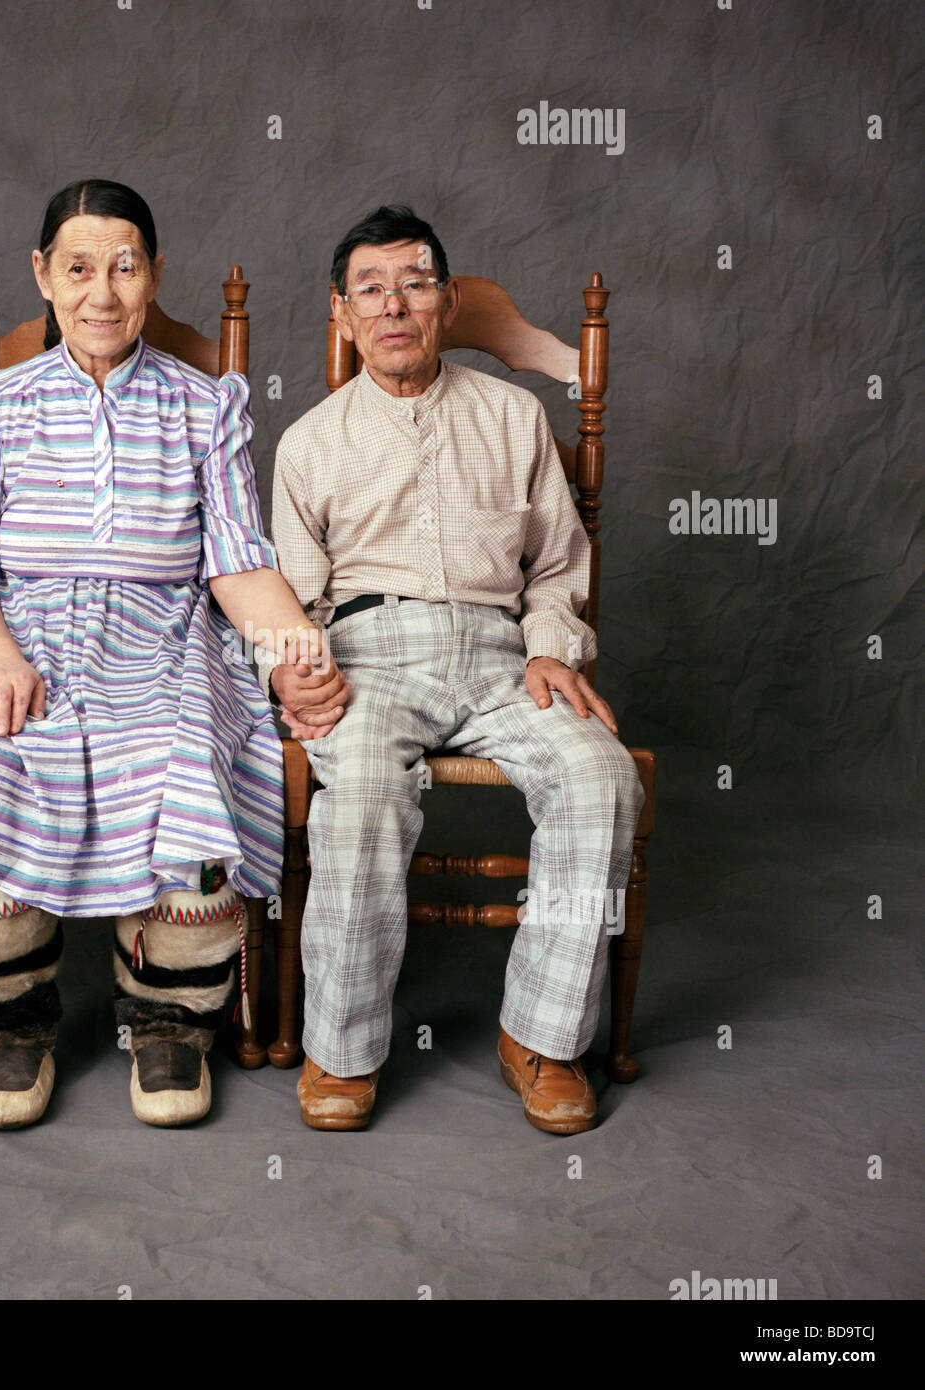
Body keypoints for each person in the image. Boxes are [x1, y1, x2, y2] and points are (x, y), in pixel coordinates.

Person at [0, 179, 348, 1130]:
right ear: (42, 277)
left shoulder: (205, 403)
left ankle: (168, 1021)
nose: (102, 292)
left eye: (125, 267)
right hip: (19, 633)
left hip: (168, 633)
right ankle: (9, 1024)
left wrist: (297, 645)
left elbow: (235, 561)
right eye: (80, 267)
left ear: (154, 277)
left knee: (193, 759)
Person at [256, 205, 644, 1135]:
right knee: (355, 799)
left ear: (448, 300)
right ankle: (341, 1052)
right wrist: (290, 674)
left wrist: (553, 645)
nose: (394, 307)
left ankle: (541, 1038)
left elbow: (555, 569)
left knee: (601, 777)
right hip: (367, 656)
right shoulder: (310, 442)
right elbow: (290, 606)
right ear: (342, 314)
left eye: (415, 284)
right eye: (370, 290)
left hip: (504, 655)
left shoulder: (515, 416)